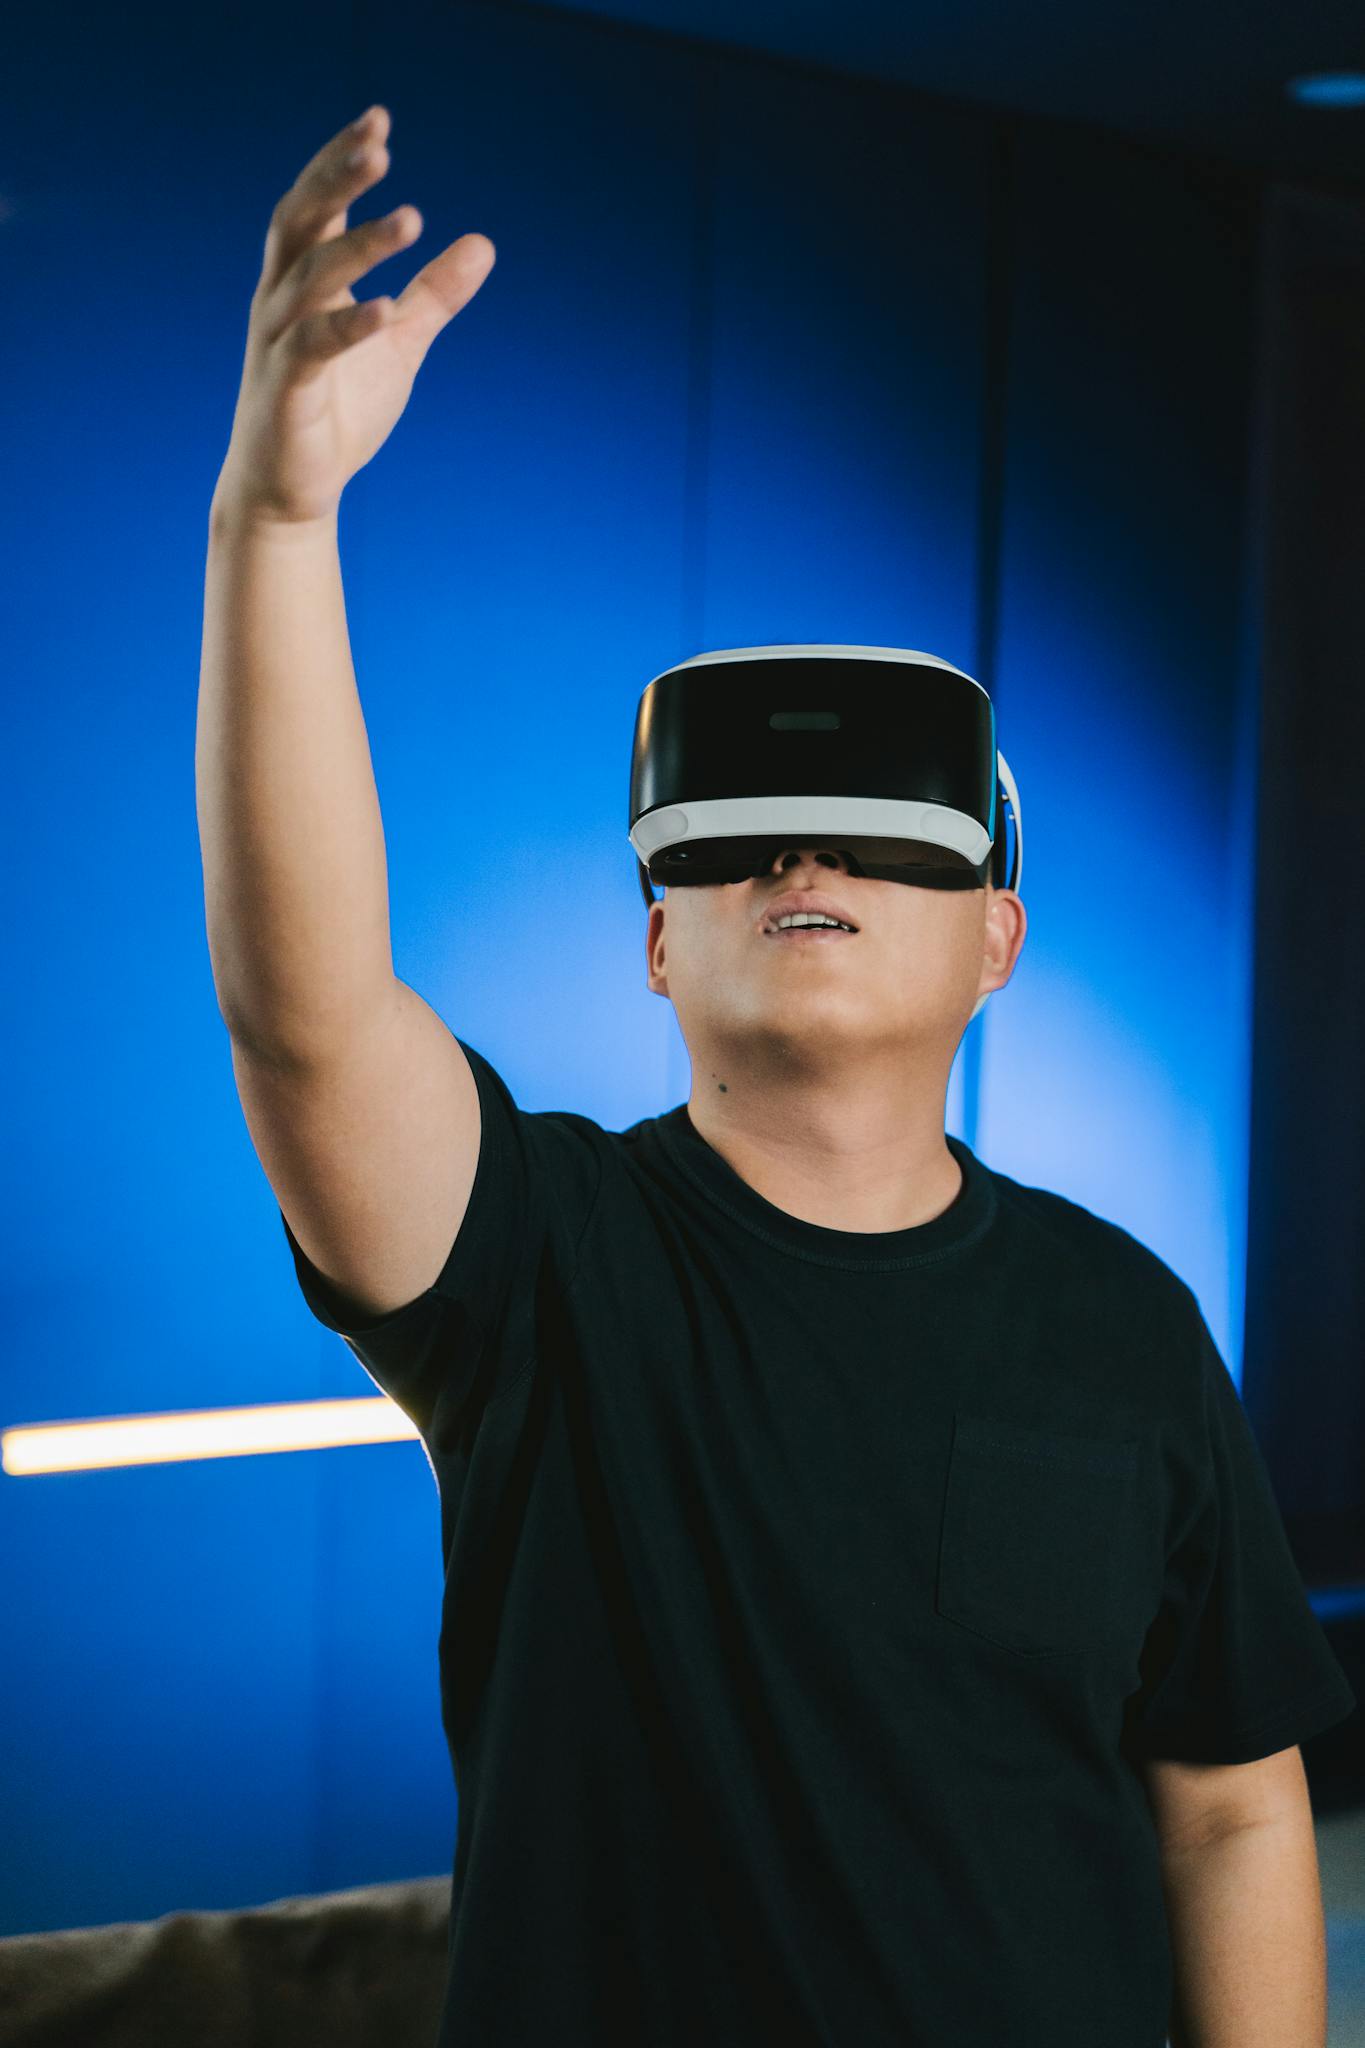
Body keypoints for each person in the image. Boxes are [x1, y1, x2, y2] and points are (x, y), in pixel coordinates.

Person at [197, 106, 1357, 2048]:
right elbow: (305, 1016)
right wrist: (281, 524)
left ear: (995, 939)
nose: (799, 865)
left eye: (880, 840)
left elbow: (1231, 1811)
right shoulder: (543, 1264)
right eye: (731, 845)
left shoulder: (1122, 1321)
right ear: (657, 943)